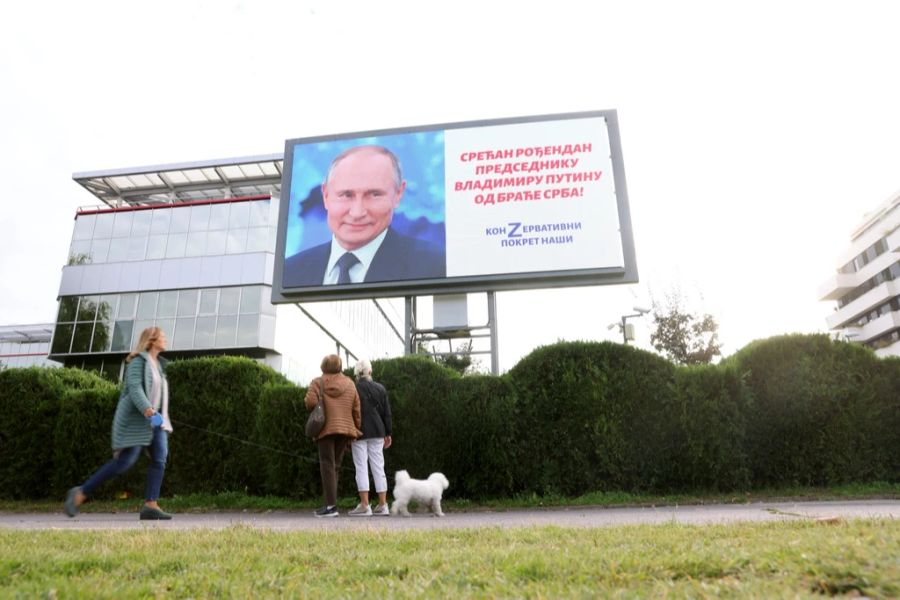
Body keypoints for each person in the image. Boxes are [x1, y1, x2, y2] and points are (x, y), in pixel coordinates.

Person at [283, 145, 446, 286]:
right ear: (325, 195)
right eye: (346, 195)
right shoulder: (290, 272)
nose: (357, 212)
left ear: (399, 194)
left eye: (374, 194)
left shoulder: (436, 265)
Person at [64, 326, 174, 521]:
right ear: (151, 340)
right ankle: (80, 493)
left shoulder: (160, 365)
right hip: (137, 420)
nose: (165, 339)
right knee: (124, 462)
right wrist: (147, 408)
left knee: (159, 459)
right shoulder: (138, 362)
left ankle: (150, 505)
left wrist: (161, 418)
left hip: (156, 421)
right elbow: (134, 387)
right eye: (162, 336)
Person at [305, 354, 362, 518]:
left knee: (327, 466)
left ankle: (331, 507)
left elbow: (309, 402)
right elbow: (357, 409)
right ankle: (331, 505)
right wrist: (356, 429)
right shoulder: (350, 383)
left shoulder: (318, 382)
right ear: (340, 366)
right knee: (334, 466)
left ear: (324, 366)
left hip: (326, 429)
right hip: (345, 429)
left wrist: (319, 401)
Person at [348, 359, 393, 517]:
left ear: (356, 374)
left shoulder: (352, 389)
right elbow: (386, 413)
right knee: (378, 467)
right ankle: (383, 504)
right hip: (378, 431)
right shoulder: (380, 388)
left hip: (359, 432)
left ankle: (365, 505)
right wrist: (388, 432)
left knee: (361, 467)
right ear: (370, 372)